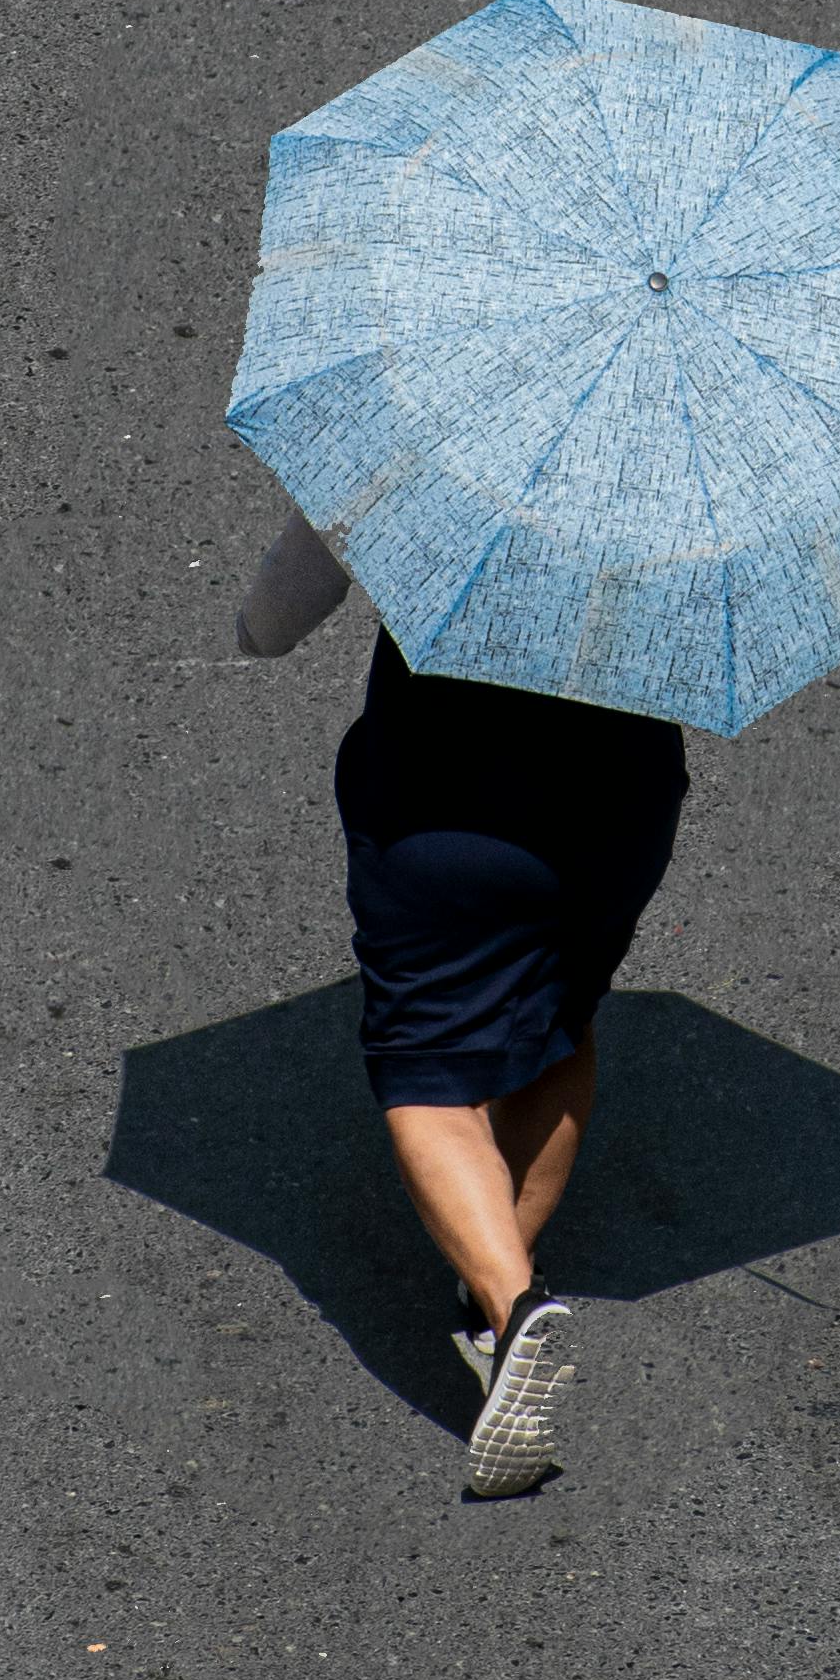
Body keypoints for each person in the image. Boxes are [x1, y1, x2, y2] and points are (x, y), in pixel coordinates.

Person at [237, 503, 687, 1496]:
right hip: (623, 801)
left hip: (450, 806)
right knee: (559, 1021)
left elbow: (278, 613)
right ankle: (493, 1314)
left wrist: (254, 628)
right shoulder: (683, 474)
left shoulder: (429, 447)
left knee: (427, 1071)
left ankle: (516, 1304)